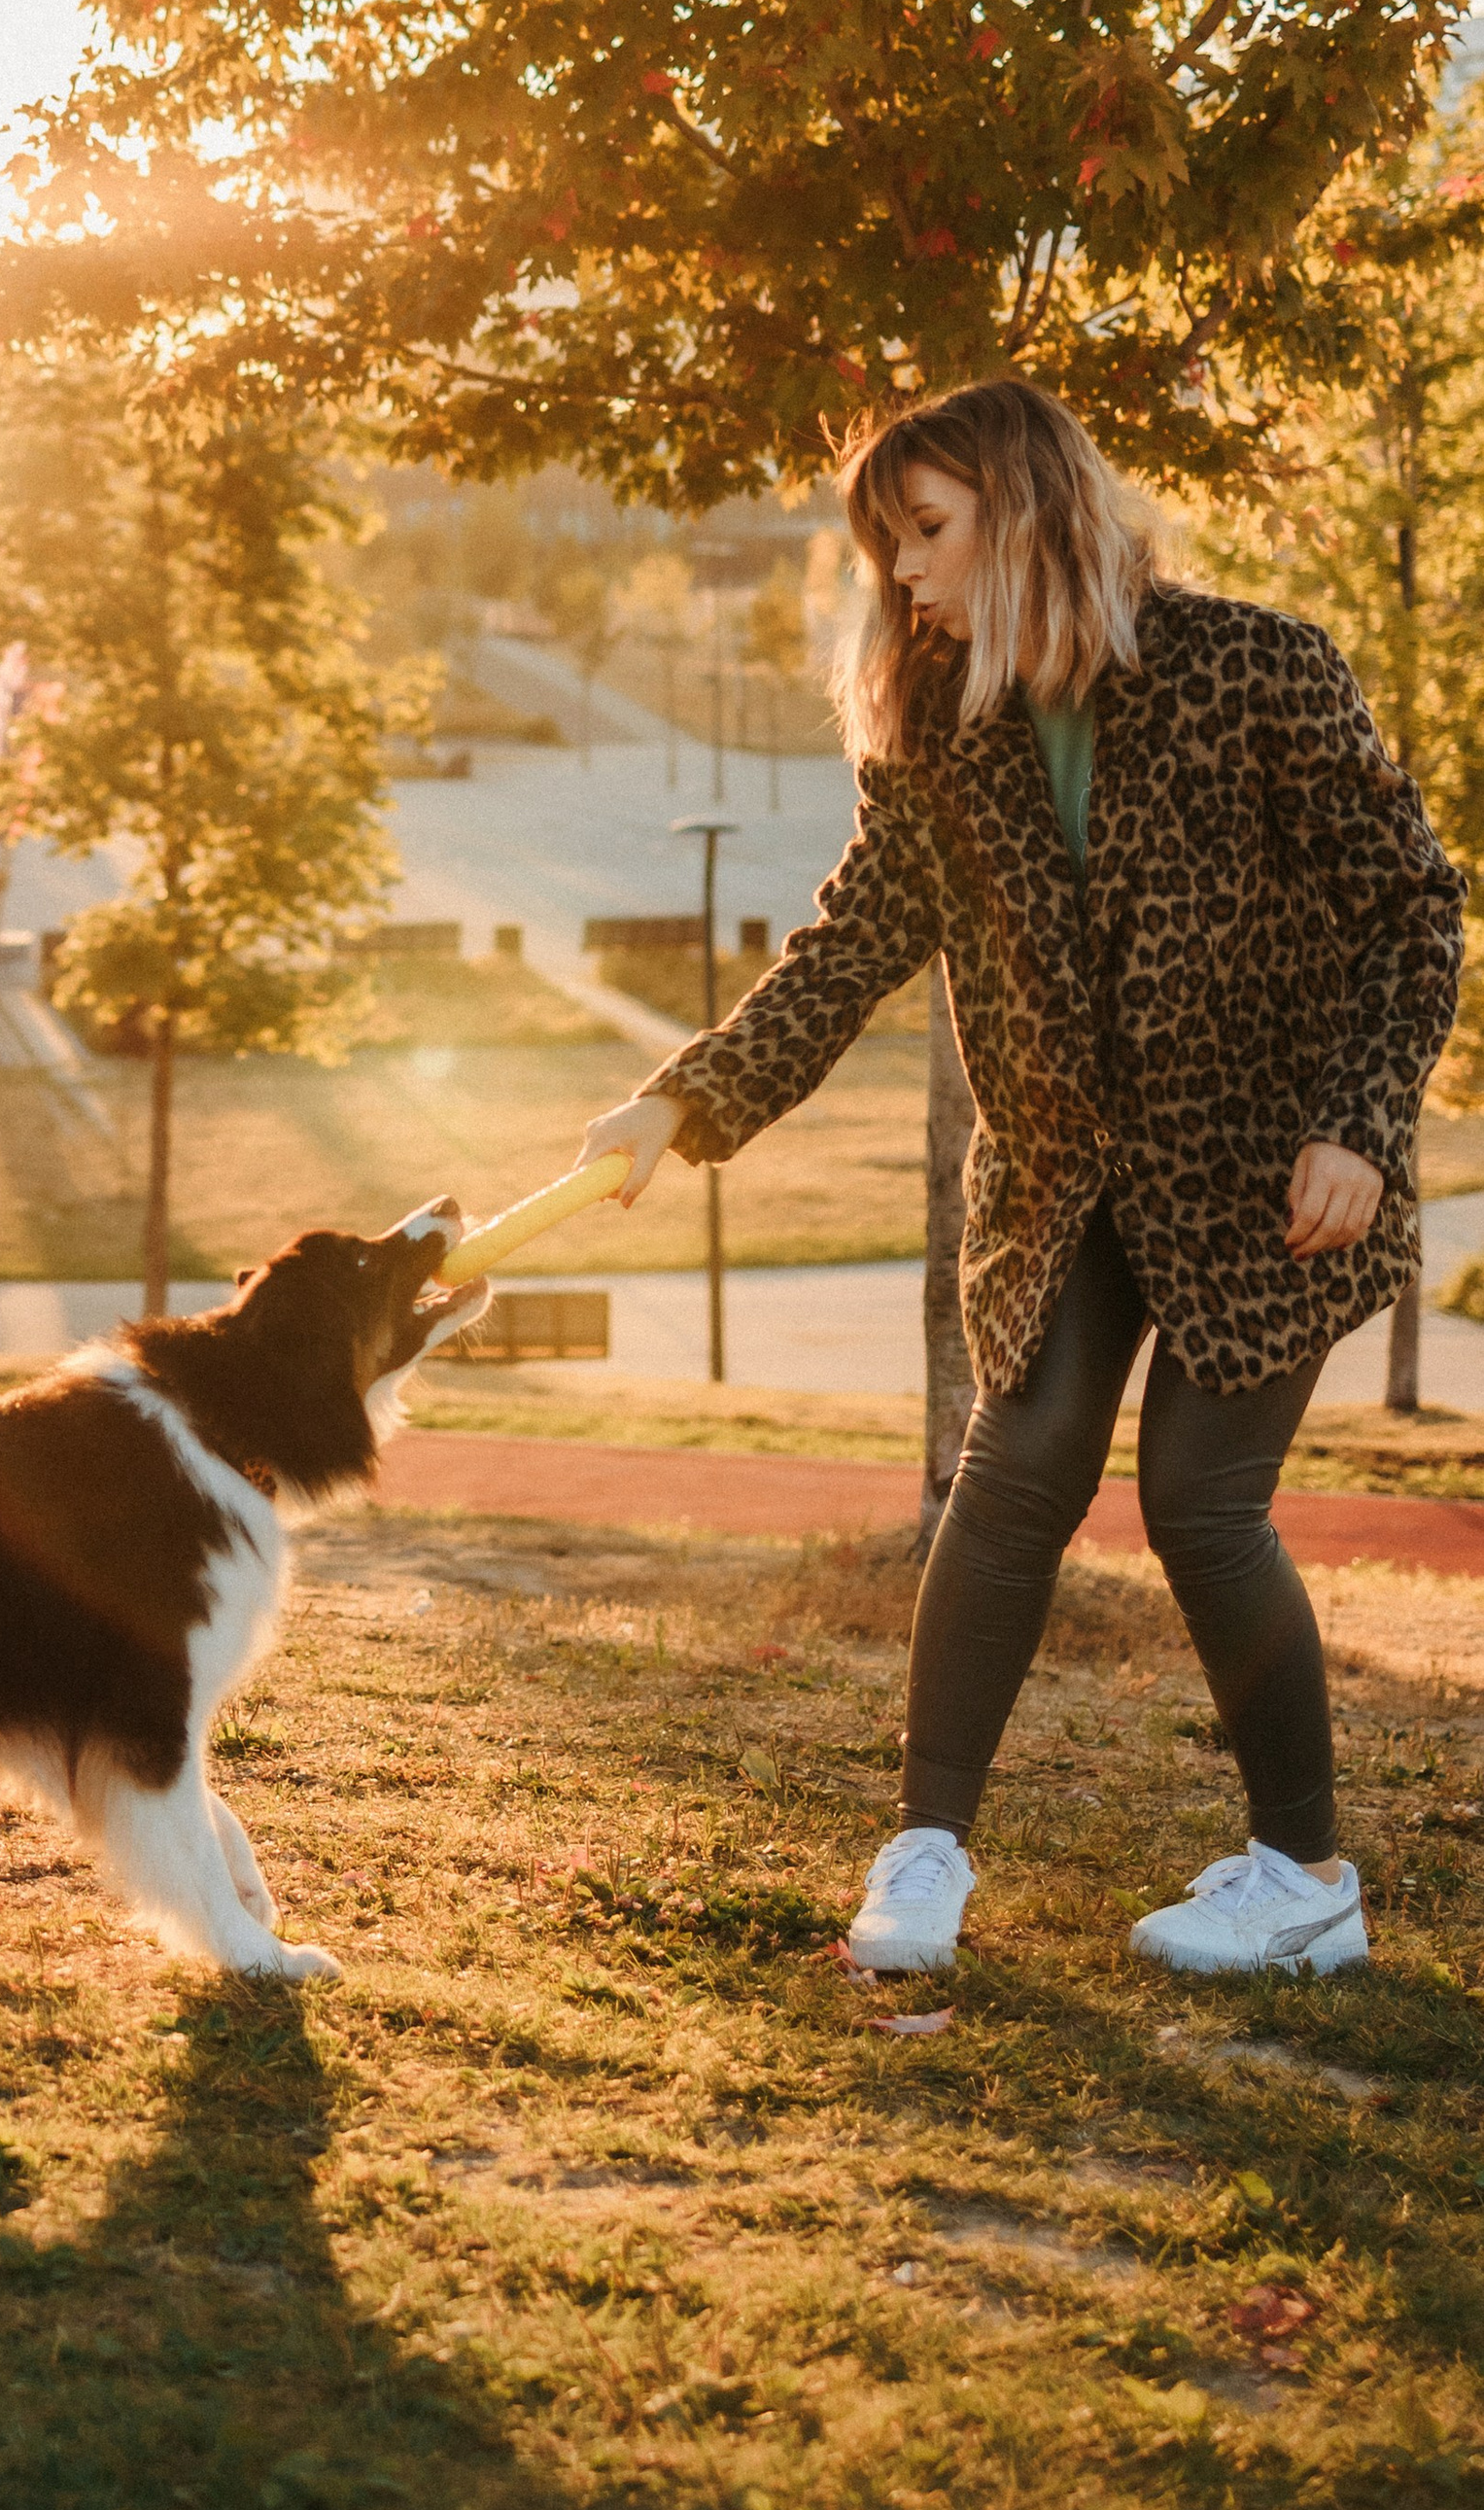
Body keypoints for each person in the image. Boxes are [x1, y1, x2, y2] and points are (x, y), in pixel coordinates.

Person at [578, 378, 1467, 1977]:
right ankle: (924, 1853)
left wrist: (1360, 1122)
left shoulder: (1259, 667)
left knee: (1201, 1496)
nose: (903, 574)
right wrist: (684, 1102)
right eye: (887, 545)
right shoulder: (938, 726)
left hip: (1276, 1174)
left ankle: (1304, 1878)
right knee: (1012, 1483)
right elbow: (847, 948)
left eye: (926, 530)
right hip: (1065, 1180)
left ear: (1029, 508)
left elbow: (1411, 909)